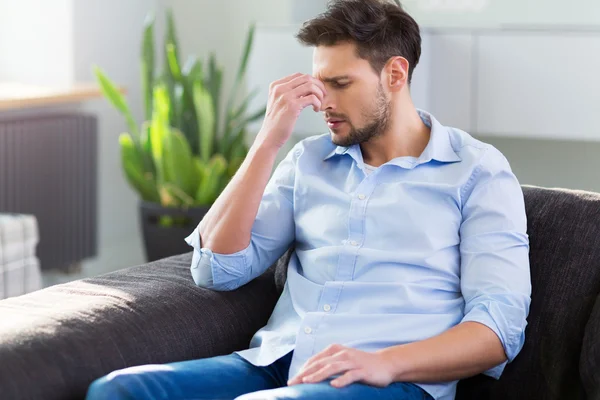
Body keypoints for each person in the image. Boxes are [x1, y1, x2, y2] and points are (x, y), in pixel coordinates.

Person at [86, 0, 531, 399]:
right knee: (121, 390)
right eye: (320, 84)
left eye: (340, 83)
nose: (323, 103)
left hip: (387, 380)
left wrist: (385, 363)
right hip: (278, 363)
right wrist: (267, 141)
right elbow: (216, 270)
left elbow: (498, 329)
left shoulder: (476, 171)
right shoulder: (308, 161)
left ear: (395, 74)